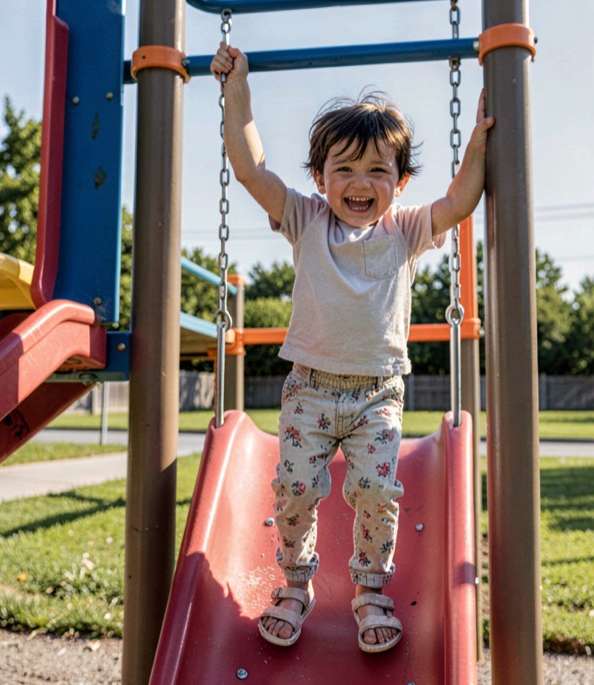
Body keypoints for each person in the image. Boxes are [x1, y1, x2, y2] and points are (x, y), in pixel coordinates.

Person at [210, 42, 493, 654]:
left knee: (374, 491)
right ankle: (295, 584)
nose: (360, 184)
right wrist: (239, 94)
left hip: (377, 394)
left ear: (400, 180)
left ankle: (369, 591)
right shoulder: (306, 219)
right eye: (344, 169)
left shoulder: (408, 229)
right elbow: (253, 169)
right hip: (308, 388)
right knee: (295, 490)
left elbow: (460, 201)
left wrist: (477, 144)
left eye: (377, 171)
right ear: (319, 178)